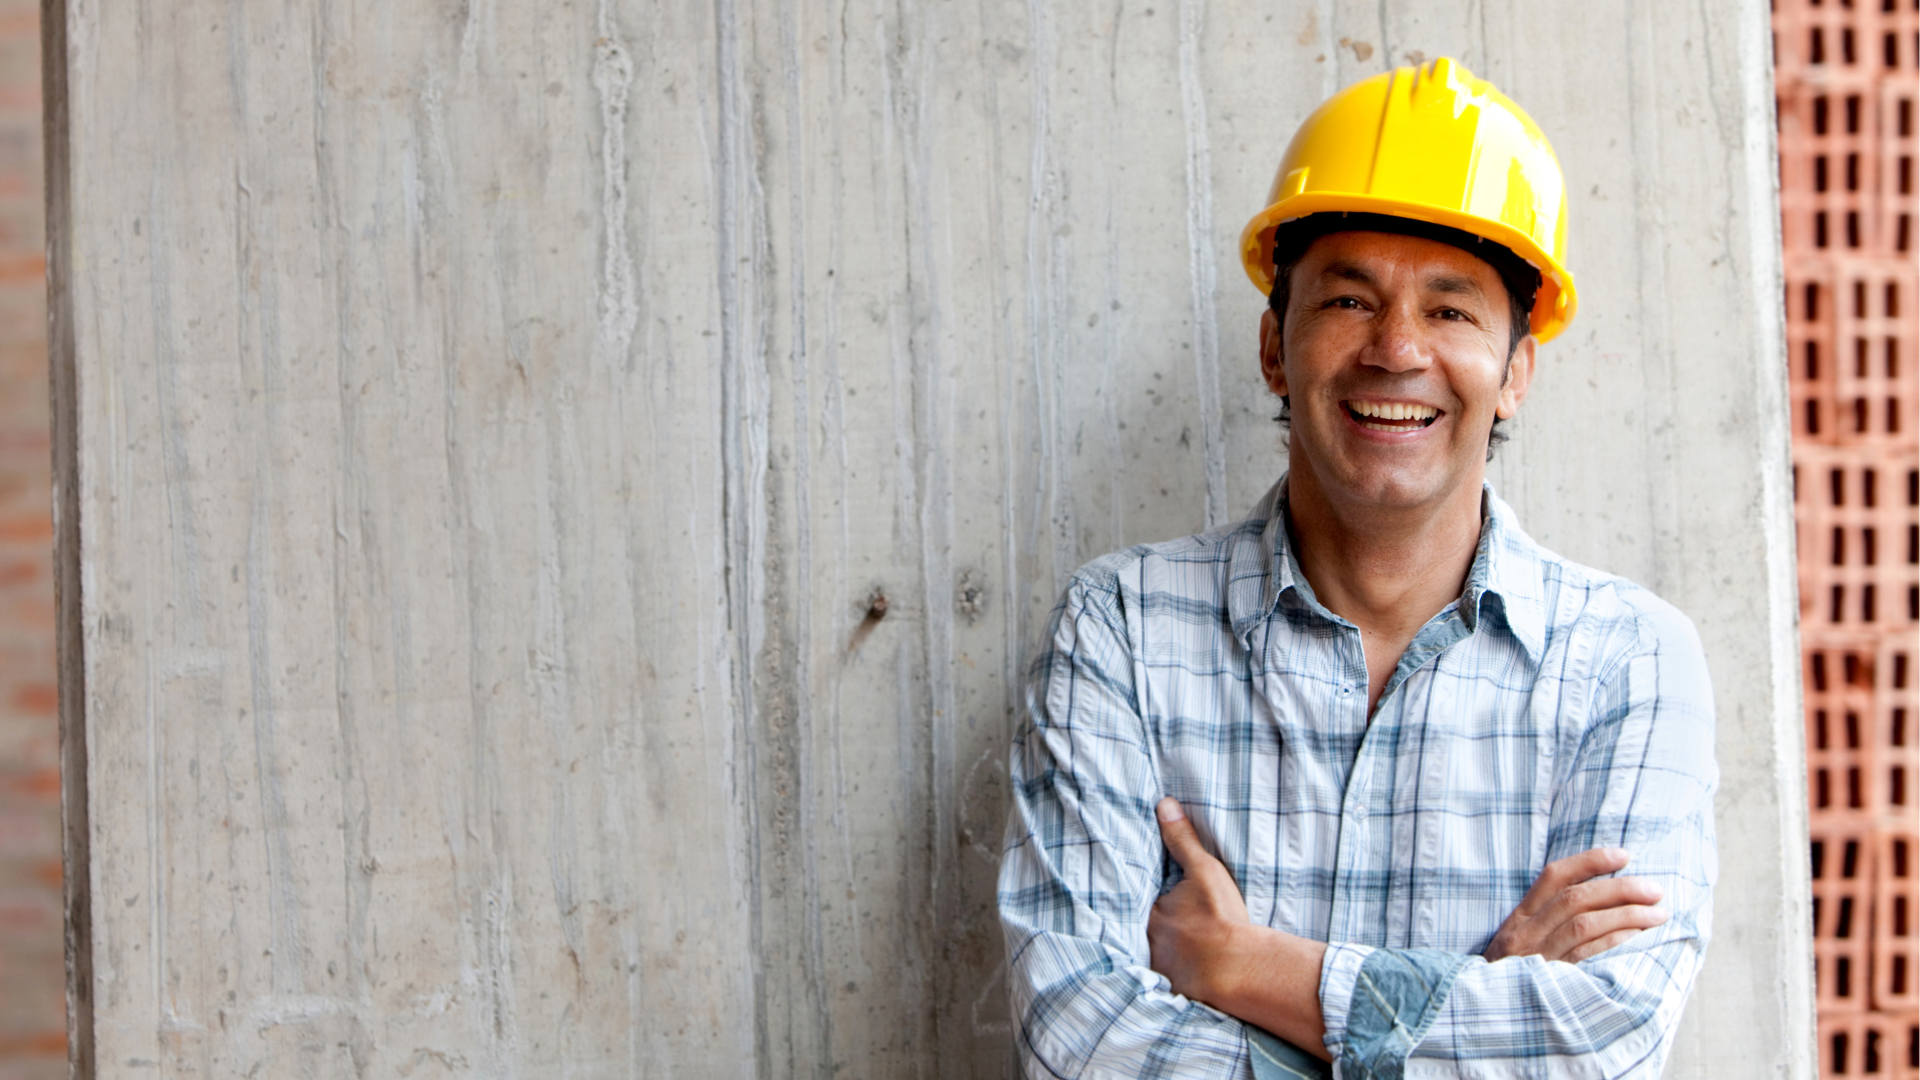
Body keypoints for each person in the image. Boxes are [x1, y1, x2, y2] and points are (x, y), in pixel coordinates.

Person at [997, 58, 1716, 1080]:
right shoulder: (1118, 630)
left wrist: (1245, 971)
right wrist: (1485, 984)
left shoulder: (1632, 663)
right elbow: (1079, 1043)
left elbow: (1602, 1043)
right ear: (1274, 350)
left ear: (1515, 369)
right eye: (1347, 299)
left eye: (1453, 309)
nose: (1396, 349)